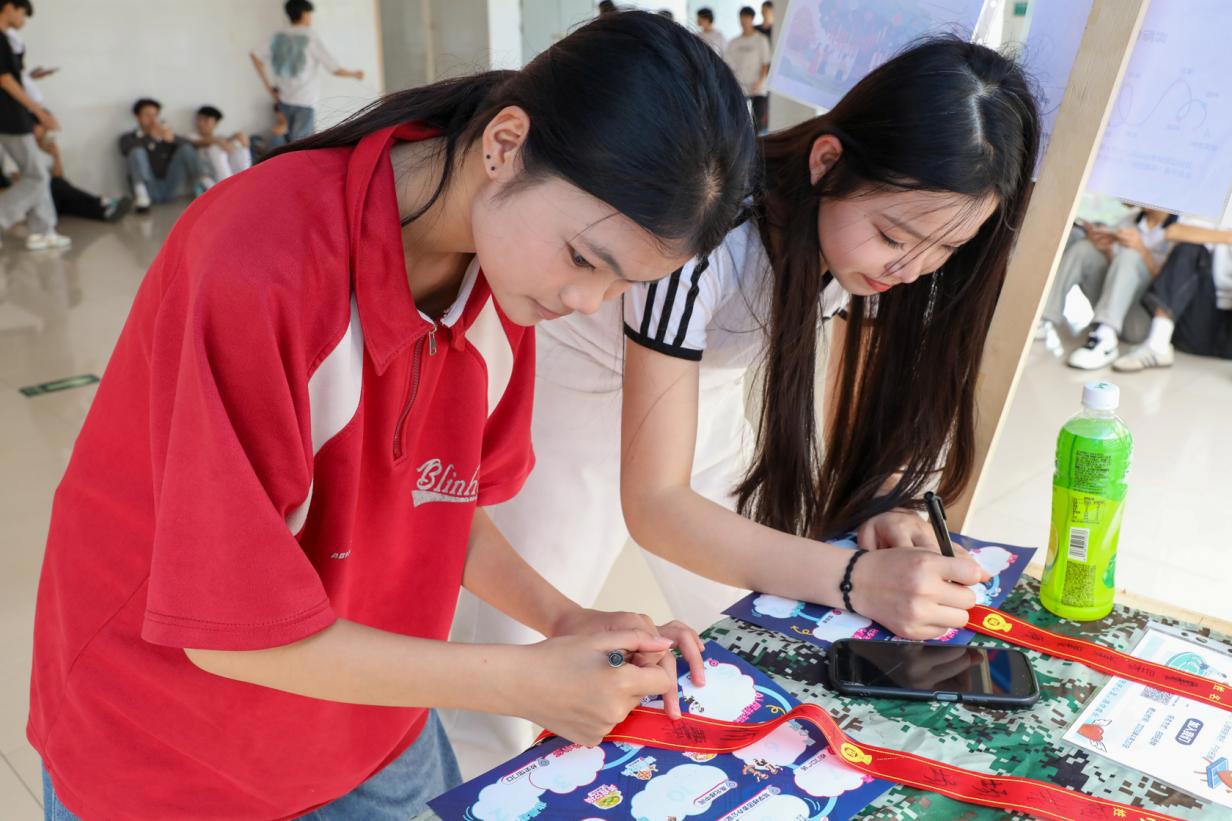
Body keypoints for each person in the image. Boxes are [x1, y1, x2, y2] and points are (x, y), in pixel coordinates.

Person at [29, 12, 756, 820]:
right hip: (169, 737)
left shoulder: (505, 276)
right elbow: (224, 628)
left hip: (367, 704)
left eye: (624, 286)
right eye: (586, 259)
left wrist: (566, 619)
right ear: (505, 143)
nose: (588, 301)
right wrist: (521, 682)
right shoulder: (259, 262)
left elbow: (446, 503)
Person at [449, 35, 1040, 767]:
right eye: (894, 235)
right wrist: (855, 578)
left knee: (767, 628)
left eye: (944, 250)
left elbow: (849, 398)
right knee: (519, 664)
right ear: (828, 162)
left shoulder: (860, 249)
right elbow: (657, 504)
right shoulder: (713, 237)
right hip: (571, 398)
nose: (910, 268)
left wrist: (884, 504)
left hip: (697, 397)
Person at [1037, 207, 1176, 368]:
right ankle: (1043, 317)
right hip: (1113, 308)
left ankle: (1105, 339)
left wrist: (1142, 251)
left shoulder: (1180, 228)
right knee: (1085, 249)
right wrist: (1107, 249)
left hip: (1140, 321)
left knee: (1131, 256)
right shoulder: (1129, 220)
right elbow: (1118, 274)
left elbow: (1170, 287)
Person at [1113, 219, 1232, 371]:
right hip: (1197, 323)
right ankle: (1157, 345)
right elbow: (1175, 231)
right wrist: (1228, 236)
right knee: (1190, 248)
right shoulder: (1218, 208)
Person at [0, 0, 68, 250]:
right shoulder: (1, 40)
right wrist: (38, 111)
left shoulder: (8, 41)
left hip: (12, 116)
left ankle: (43, 230)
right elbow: (6, 80)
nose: (23, 20)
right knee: (37, 175)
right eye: (22, 13)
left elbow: (12, 78)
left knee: (38, 171)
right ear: (9, 7)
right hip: (10, 118)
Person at [250, 0, 365, 143]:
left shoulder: (278, 36)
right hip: (304, 101)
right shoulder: (310, 36)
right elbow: (334, 69)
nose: (311, 18)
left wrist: (268, 87)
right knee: (302, 146)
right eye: (310, 14)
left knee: (289, 146)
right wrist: (354, 74)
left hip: (284, 101)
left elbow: (255, 56)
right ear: (304, 14)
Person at [119, 98, 204, 213]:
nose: (152, 119)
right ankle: (142, 197)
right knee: (136, 151)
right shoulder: (129, 137)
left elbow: (191, 146)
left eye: (155, 115)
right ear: (137, 116)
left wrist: (173, 140)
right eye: (147, 115)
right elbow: (126, 149)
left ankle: (204, 188)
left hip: (170, 186)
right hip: (149, 188)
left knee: (186, 148)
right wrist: (151, 138)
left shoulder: (165, 134)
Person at [726, 6, 772, 132]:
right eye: (741, 18)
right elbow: (728, 65)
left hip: (758, 88)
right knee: (739, 122)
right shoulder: (734, 42)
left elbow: (765, 63)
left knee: (758, 125)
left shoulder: (761, 40)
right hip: (739, 88)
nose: (743, 21)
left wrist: (760, 82)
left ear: (752, 19)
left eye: (746, 18)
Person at [192, 105, 252, 185]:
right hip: (208, 175)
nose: (200, 123)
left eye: (206, 120)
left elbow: (231, 143)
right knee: (215, 148)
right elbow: (195, 143)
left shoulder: (220, 137)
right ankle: (228, 185)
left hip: (230, 172)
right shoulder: (193, 137)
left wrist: (237, 136)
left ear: (216, 124)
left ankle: (245, 179)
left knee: (238, 145)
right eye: (199, 119)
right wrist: (217, 142)